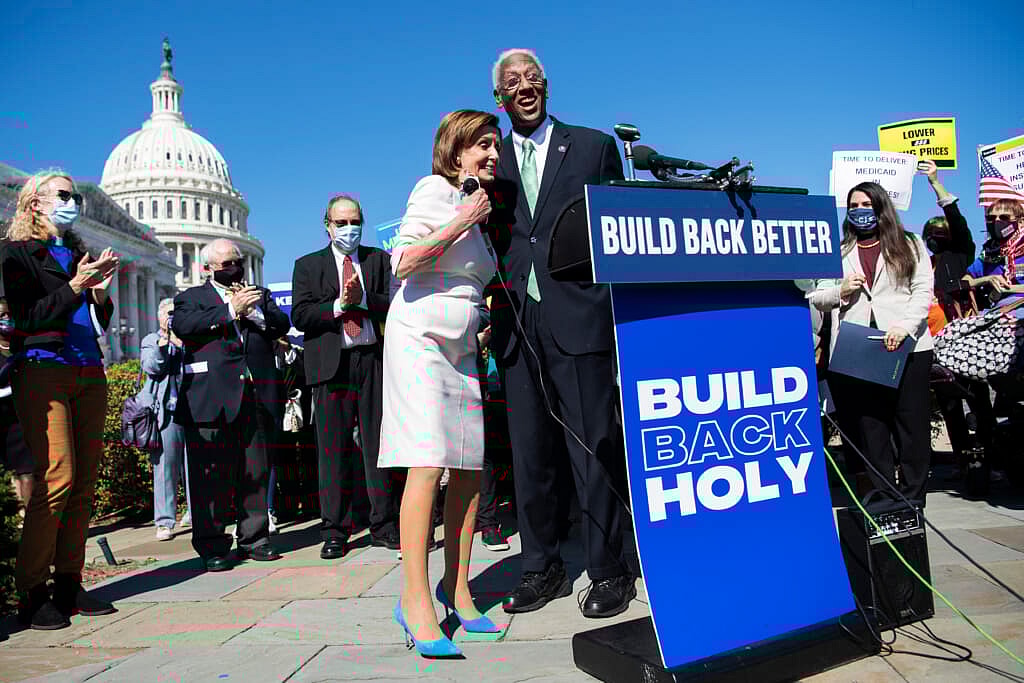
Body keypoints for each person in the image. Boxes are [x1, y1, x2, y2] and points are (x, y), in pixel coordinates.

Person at [487, 49, 636, 618]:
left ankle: (609, 570)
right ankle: (541, 567)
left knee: (593, 447)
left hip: (579, 315)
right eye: (512, 81)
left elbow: (621, 229)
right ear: (499, 97)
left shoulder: (594, 147)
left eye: (532, 77)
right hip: (516, 320)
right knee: (529, 454)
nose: (523, 86)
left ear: (546, 85)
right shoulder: (489, 158)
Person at [379, 109, 501, 658]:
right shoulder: (435, 190)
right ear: (456, 153)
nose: (493, 153)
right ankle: (414, 600)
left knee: (469, 468)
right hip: (421, 340)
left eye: (496, 145)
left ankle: (458, 588)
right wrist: (462, 218)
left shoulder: (485, 208)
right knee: (428, 463)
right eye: (482, 145)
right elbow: (403, 262)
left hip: (463, 348)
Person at [2, 171, 119, 630]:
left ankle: (69, 581)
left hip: (89, 368)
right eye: (65, 195)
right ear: (35, 203)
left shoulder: (76, 252)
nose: (74, 203)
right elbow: (27, 317)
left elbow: (95, 321)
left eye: (76, 197)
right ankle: (32, 590)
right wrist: (74, 286)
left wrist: (100, 293)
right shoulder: (15, 253)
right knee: (58, 476)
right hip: (43, 367)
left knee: (85, 481)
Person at [808, 182, 935, 504]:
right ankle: (883, 497)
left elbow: (922, 291)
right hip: (858, 349)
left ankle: (913, 499)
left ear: (881, 207)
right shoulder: (838, 251)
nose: (859, 211)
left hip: (907, 347)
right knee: (870, 428)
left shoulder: (910, 244)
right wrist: (841, 291)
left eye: (866, 204)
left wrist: (905, 327)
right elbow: (817, 297)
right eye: (854, 205)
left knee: (911, 425)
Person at [291, 195, 400, 560]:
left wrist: (363, 300)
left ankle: (384, 525)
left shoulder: (378, 260)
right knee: (333, 451)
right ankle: (335, 530)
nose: (349, 229)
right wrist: (340, 305)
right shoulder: (308, 266)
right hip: (331, 366)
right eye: (341, 223)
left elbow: (395, 302)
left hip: (373, 361)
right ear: (328, 226)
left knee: (379, 446)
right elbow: (300, 315)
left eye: (355, 222)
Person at [172, 238, 289, 571]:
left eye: (237, 262)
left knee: (256, 470)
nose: (234, 268)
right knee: (211, 478)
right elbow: (184, 327)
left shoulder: (259, 294)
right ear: (208, 268)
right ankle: (213, 545)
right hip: (211, 398)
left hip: (255, 394)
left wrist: (254, 312)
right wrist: (229, 311)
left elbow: (281, 325)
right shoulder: (191, 298)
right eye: (226, 264)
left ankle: (255, 538)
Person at [918, 160, 994, 469]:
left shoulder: (959, 255)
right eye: (930, 233)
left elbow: (958, 223)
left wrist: (935, 183)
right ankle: (963, 463)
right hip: (936, 345)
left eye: (940, 232)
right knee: (949, 405)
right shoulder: (924, 265)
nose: (934, 236)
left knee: (977, 398)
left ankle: (991, 458)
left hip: (964, 340)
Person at [140, 298, 192, 541]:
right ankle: (164, 521)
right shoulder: (151, 340)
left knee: (194, 466)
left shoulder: (189, 338)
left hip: (192, 409)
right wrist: (164, 344)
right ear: (159, 316)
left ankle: (195, 512)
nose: (171, 318)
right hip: (166, 413)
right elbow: (152, 367)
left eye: (175, 313)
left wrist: (181, 341)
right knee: (165, 468)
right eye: (168, 313)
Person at [0, 298, 33, 506]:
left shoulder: (22, 346)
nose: (6, 319)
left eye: (9, 314)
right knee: (8, 474)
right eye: (1, 315)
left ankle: (29, 517)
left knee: (27, 470)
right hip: (2, 416)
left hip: (20, 418)